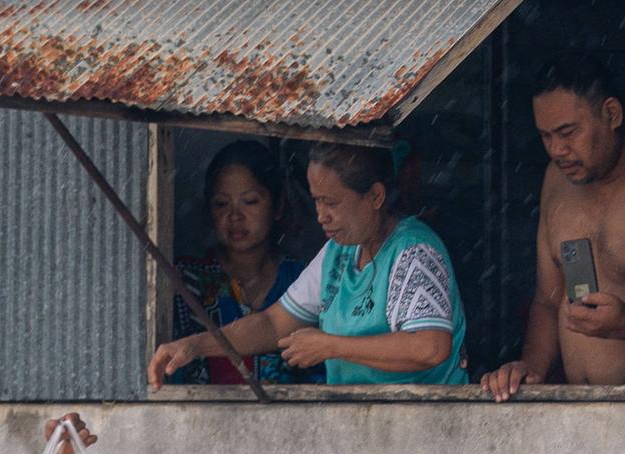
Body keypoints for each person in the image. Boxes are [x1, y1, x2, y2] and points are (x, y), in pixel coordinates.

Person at [148, 143, 469, 388]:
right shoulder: (337, 254)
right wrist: (196, 345)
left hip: (426, 429)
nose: (321, 216)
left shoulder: (413, 251)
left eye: (332, 202)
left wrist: (330, 346)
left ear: (375, 196)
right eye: (317, 200)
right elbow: (273, 324)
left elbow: (430, 346)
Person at [483, 54, 625, 400]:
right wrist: (529, 368)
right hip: (571, 407)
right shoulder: (556, 179)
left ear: (612, 114)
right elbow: (549, 300)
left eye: (568, 132)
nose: (556, 150)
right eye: (546, 136)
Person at [168, 140, 320, 387]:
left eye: (249, 201)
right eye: (221, 204)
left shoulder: (302, 280)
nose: (235, 216)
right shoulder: (186, 282)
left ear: (278, 205)